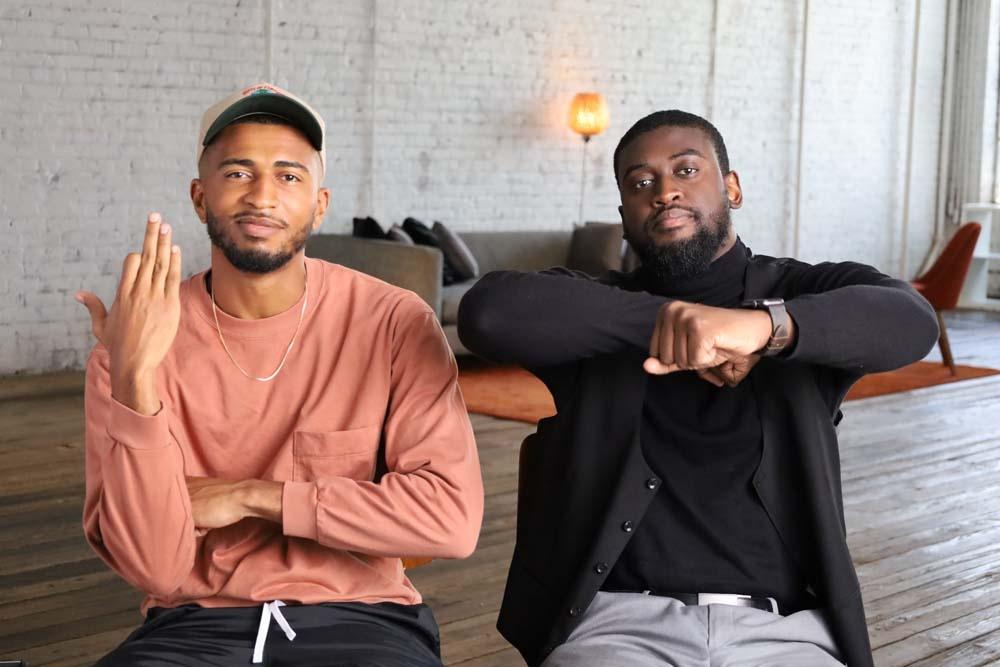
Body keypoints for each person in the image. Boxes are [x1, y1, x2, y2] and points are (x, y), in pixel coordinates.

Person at [458, 110, 939, 667]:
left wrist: (761, 328)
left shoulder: (798, 292)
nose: (664, 191)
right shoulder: (594, 315)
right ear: (624, 215)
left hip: (784, 633)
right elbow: (488, 314)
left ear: (732, 188)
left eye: (686, 170)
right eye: (641, 183)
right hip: (617, 629)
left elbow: (912, 319)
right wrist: (683, 322)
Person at [76, 82, 484, 666]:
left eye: (289, 176)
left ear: (319, 203)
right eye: (238, 173)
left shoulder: (393, 322)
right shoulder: (133, 345)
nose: (262, 196)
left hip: (362, 617)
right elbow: (155, 567)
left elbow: (450, 521)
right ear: (199, 197)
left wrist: (254, 497)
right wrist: (134, 380)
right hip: (193, 626)